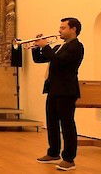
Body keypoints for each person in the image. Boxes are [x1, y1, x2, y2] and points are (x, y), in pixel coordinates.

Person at [32, 17, 84, 171]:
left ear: (73, 29)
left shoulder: (76, 47)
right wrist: (37, 46)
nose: (59, 30)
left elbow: (59, 61)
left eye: (63, 28)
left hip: (67, 91)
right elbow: (40, 59)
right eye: (60, 28)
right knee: (52, 123)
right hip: (53, 89)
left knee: (67, 124)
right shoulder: (59, 47)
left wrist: (45, 46)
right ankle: (53, 152)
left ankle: (69, 159)